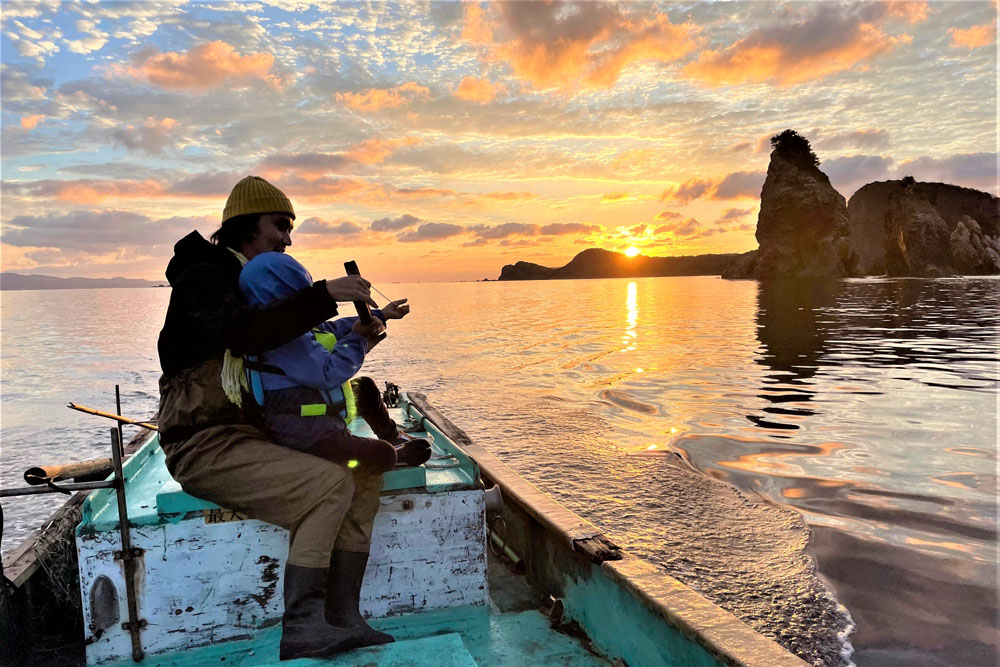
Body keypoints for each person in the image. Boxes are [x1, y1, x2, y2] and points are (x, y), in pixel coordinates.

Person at [157, 175, 394, 660]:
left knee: (364, 474)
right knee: (328, 486)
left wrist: (364, 324)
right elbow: (245, 333)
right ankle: (304, 626)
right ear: (245, 225)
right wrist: (325, 291)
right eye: (280, 226)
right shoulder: (203, 277)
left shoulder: (249, 280)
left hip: (252, 434)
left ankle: (343, 616)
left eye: (291, 229)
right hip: (207, 443)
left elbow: (292, 332)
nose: (288, 239)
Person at [237, 250, 431, 471]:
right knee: (382, 454)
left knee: (365, 387)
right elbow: (328, 373)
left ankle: (392, 436)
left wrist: (381, 315)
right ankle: (393, 455)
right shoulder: (280, 337)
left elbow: (329, 329)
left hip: (319, 415)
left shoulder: (287, 322)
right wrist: (359, 339)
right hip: (304, 435)